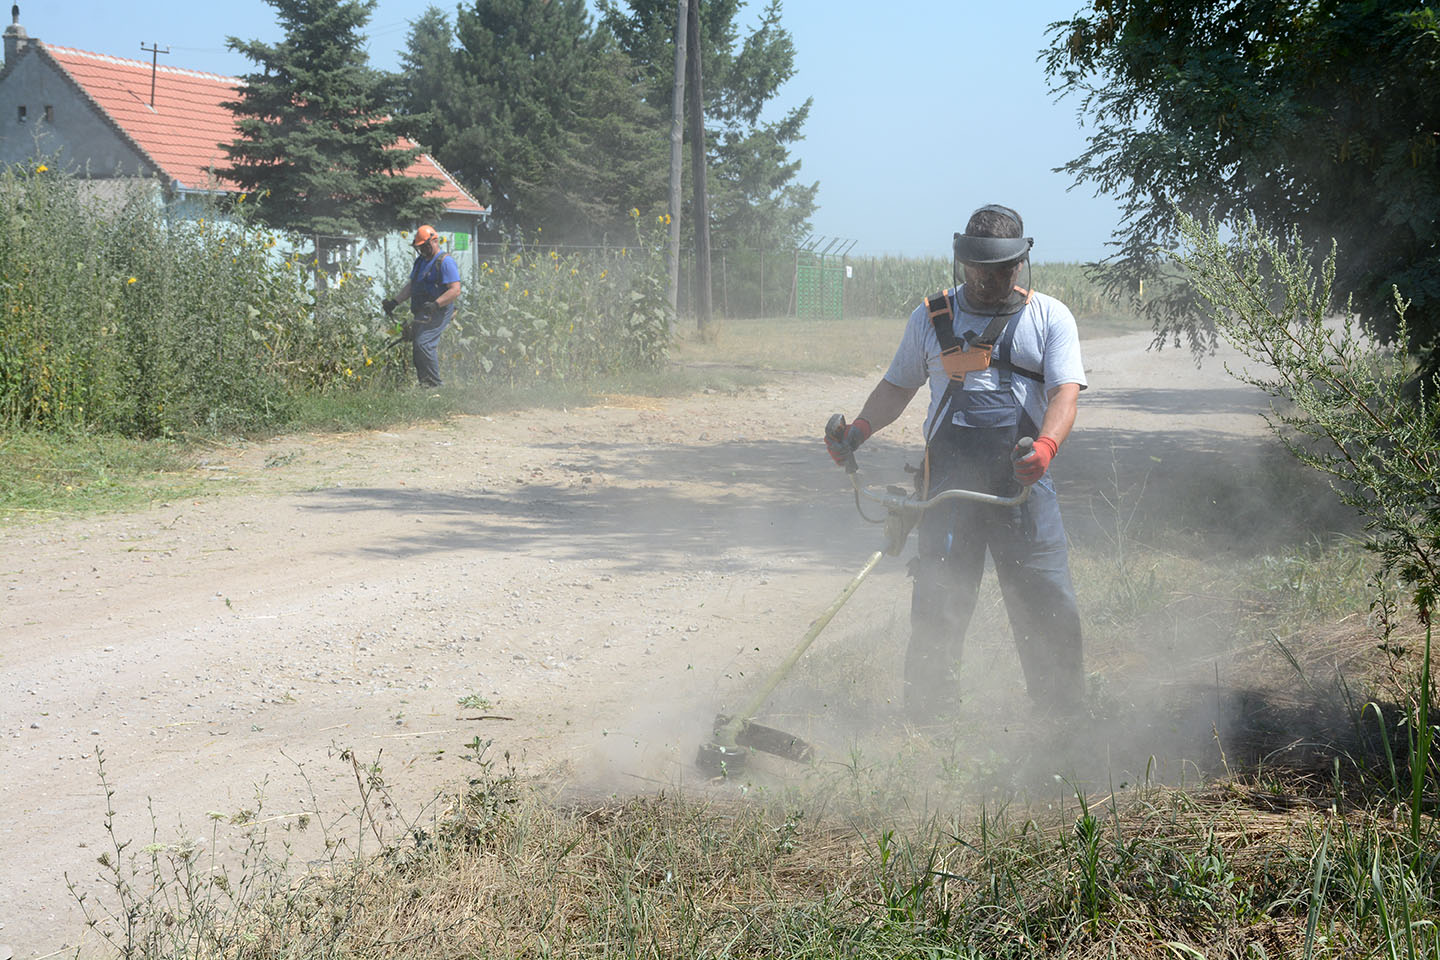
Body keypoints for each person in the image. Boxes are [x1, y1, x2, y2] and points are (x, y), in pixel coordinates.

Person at [825, 204, 1087, 721]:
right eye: (978, 268)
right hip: (946, 489)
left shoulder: (1049, 316)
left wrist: (1046, 449)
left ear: (1021, 262)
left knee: (1046, 607)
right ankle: (928, 727)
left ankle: (1063, 722)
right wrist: (857, 431)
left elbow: (1064, 395)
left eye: (1001, 269)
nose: (988, 280)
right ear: (961, 260)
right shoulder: (929, 318)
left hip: (1023, 488)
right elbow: (898, 385)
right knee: (937, 611)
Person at [382, 224, 462, 387]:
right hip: (422, 310)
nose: (421, 250)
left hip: (439, 310)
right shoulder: (420, 262)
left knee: (424, 343)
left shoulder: (445, 262)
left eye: (424, 246)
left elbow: (455, 290)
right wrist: (395, 302)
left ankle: (435, 387)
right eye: (419, 247)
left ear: (434, 242)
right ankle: (425, 385)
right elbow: (412, 286)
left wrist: (436, 304)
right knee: (418, 347)